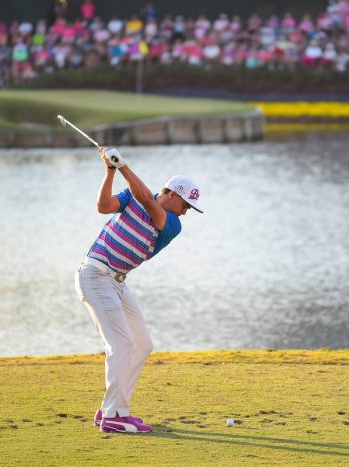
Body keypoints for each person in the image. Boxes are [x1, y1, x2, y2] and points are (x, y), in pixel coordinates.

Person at [74, 146, 203, 434]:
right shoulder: (132, 195)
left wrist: (123, 166)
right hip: (95, 275)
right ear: (171, 194)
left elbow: (146, 198)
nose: (186, 213)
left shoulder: (171, 223)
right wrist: (110, 171)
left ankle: (117, 409)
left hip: (116, 282)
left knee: (141, 343)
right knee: (121, 344)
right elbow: (104, 206)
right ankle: (113, 416)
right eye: (185, 205)